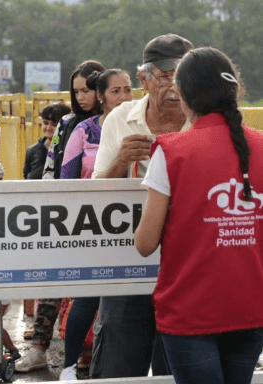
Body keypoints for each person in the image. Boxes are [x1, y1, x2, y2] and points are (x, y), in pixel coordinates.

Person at [134, 46, 263, 384]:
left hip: (190, 312)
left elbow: (145, 243)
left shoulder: (171, 150)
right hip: (251, 306)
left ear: (184, 93)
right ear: (234, 90)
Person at [89, 33, 194, 379]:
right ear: (143, 78)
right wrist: (121, 162)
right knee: (118, 366)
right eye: (165, 75)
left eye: (183, 74)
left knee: (179, 369)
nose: (174, 85)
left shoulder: (205, 121)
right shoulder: (121, 119)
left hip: (187, 268)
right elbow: (95, 196)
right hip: (127, 263)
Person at [16, 60, 106, 374]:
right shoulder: (68, 123)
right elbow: (52, 168)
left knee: (93, 288)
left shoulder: (115, 120)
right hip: (66, 213)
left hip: (104, 218)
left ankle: (86, 356)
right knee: (54, 282)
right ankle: (38, 349)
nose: (82, 96)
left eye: (88, 90)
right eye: (77, 90)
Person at [58, 68, 133, 381]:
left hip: (136, 226)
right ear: (101, 96)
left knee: (132, 302)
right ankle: (69, 367)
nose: (123, 97)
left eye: (128, 90)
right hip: (94, 225)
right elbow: (66, 181)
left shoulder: (141, 124)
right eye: (115, 91)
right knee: (88, 298)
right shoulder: (84, 132)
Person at [42, 60, 106, 180]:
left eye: (85, 91)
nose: (80, 98)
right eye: (76, 92)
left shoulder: (112, 122)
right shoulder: (64, 123)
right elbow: (51, 160)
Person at [23, 103, 70, 180]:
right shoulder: (31, 151)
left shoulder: (68, 150)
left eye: (54, 124)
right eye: (46, 123)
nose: (48, 128)